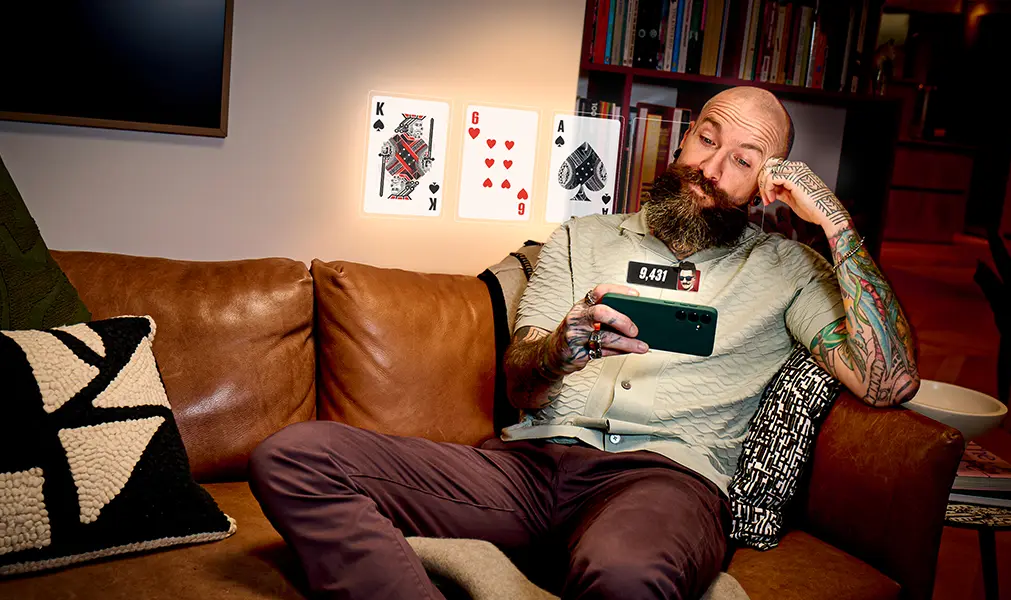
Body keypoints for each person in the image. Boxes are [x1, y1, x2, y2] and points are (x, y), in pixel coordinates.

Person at [248, 86, 919, 600]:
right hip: (531, 468)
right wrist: (557, 351)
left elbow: (889, 380)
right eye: (705, 140)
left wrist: (834, 223)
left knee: (623, 577)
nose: (710, 169)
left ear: (767, 187)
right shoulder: (582, 238)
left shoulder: (790, 271)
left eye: (742, 161)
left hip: (663, 483)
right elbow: (520, 381)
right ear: (682, 140)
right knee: (294, 457)